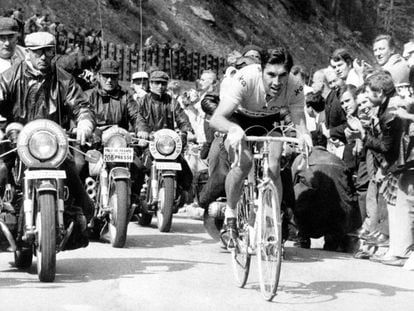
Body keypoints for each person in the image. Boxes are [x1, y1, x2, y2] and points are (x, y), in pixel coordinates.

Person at [0, 32, 95, 247]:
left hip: (52, 144)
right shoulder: (10, 76)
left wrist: (84, 122)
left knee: (81, 195)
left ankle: (74, 222)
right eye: (37, 52)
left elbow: (80, 104)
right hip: (16, 140)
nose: (43, 56)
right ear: (27, 53)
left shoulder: (63, 79)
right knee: (1, 171)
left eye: (48, 51)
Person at [209, 47, 311, 247]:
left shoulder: (295, 85)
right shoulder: (246, 78)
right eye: (271, 74)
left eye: (282, 76)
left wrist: (305, 136)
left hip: (269, 121)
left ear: (289, 74)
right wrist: (232, 129)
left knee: (274, 167)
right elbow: (216, 118)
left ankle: (272, 220)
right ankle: (230, 217)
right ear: (261, 70)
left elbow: (299, 120)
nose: (276, 82)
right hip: (238, 119)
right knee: (244, 162)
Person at [135, 70, 194, 203]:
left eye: (163, 83)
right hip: (148, 143)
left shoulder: (172, 102)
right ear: (150, 84)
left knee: (186, 174)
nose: (160, 86)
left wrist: (186, 130)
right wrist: (143, 131)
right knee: (138, 168)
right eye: (157, 83)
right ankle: (136, 196)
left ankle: (181, 195)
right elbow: (138, 118)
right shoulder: (142, 101)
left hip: (168, 145)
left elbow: (181, 117)